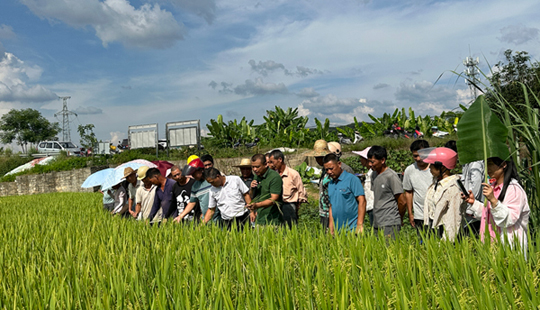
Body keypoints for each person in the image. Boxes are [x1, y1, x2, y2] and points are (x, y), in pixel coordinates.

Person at [463, 157, 530, 254]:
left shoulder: (513, 189)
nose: (487, 168)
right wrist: (473, 202)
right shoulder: (493, 187)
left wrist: (493, 200)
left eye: (490, 164)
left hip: (509, 247)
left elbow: (509, 219)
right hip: (491, 244)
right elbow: (489, 214)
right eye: (486, 164)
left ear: (503, 165)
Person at [420, 147, 467, 242]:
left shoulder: (453, 188)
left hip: (446, 234)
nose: (429, 168)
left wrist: (446, 244)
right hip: (434, 230)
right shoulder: (436, 184)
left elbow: (454, 219)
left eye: (432, 165)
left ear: (443, 167)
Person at [368, 146, 406, 239]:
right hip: (377, 221)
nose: (370, 164)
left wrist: (399, 218)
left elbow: (402, 201)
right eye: (369, 161)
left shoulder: (391, 176)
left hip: (390, 221)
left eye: (372, 162)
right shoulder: (374, 174)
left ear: (382, 160)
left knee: (390, 250)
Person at [323, 153, 366, 234]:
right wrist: (331, 229)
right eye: (326, 170)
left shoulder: (352, 179)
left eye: (331, 168)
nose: (329, 172)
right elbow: (331, 207)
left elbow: (362, 201)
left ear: (339, 164)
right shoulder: (331, 184)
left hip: (352, 229)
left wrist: (359, 225)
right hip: (337, 231)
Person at [268, 149, 307, 228]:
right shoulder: (274, 174)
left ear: (280, 159)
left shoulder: (293, 174)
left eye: (272, 161)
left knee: (290, 228)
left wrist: (298, 206)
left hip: (289, 204)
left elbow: (301, 191)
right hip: (277, 204)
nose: (271, 164)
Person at [402, 140, 432, 239]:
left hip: (437, 213)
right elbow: (408, 193)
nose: (418, 159)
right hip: (420, 215)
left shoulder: (435, 168)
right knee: (423, 242)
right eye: (415, 156)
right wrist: (410, 214)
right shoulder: (410, 170)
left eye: (421, 155)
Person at [246, 154, 283, 225]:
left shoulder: (274, 177)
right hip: (259, 217)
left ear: (266, 164)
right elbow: (252, 196)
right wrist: (251, 188)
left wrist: (257, 205)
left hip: (271, 219)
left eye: (257, 167)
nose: (254, 169)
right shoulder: (257, 176)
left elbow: (274, 199)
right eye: (253, 167)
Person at [173, 158, 213, 223]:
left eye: (194, 173)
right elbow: (192, 202)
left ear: (201, 170)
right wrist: (180, 216)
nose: (193, 175)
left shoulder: (211, 181)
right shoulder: (195, 186)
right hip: (205, 219)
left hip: (217, 217)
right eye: (192, 174)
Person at [305, 140, 332, 229]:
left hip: (331, 212)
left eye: (319, 157)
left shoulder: (332, 171)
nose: (317, 160)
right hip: (323, 211)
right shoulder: (324, 171)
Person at [352, 147, 375, 225]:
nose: (360, 160)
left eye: (362, 158)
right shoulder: (369, 173)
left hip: (374, 207)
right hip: (370, 207)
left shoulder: (373, 174)